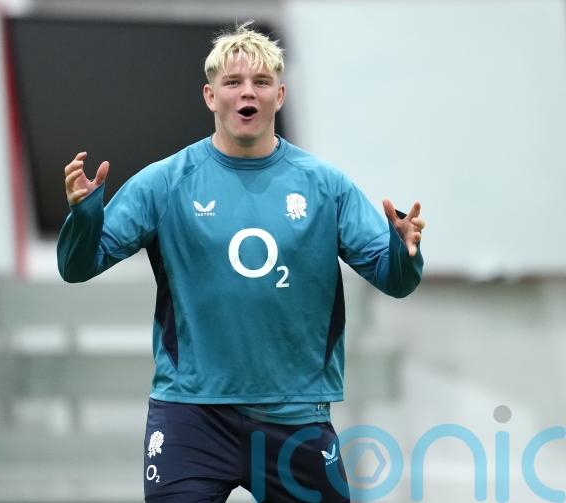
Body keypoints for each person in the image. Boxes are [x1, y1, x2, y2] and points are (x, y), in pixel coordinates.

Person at [58, 21, 425, 503]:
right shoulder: (165, 182)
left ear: (280, 95)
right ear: (211, 96)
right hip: (191, 416)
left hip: (295, 417)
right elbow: (78, 266)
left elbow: (395, 279)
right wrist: (85, 216)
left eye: (261, 82)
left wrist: (403, 250)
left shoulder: (325, 186)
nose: (247, 92)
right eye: (233, 82)